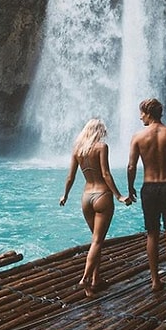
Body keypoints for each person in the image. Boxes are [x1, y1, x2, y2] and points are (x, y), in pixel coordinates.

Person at [127, 98, 166, 298]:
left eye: (142, 113)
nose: (140, 117)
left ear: (148, 113)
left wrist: (130, 188)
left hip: (149, 187)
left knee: (152, 233)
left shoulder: (138, 137)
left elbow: (131, 166)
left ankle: (155, 281)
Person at [60, 118, 130, 297]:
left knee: (95, 241)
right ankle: (85, 278)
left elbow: (70, 177)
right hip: (102, 196)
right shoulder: (101, 147)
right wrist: (118, 195)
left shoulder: (78, 150)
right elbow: (106, 174)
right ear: (99, 131)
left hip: (86, 198)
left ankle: (96, 279)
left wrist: (65, 195)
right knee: (97, 241)